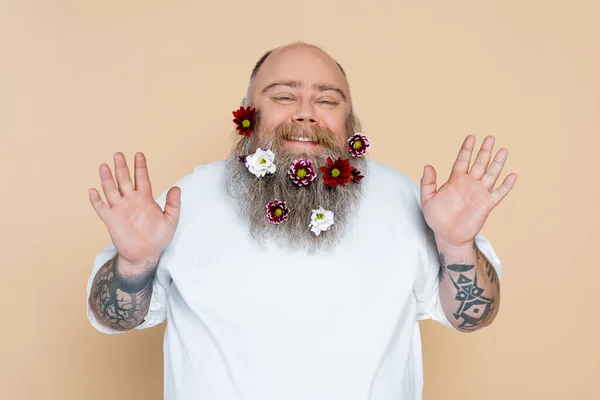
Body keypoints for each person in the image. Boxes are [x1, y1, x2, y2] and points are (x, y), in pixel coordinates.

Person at [86, 42, 517, 400]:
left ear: (349, 121)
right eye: (283, 96)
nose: (306, 113)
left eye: (327, 100)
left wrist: (457, 246)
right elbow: (114, 318)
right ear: (246, 115)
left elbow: (471, 317)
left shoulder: (408, 201)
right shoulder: (187, 201)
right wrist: (134, 265)